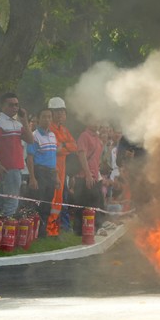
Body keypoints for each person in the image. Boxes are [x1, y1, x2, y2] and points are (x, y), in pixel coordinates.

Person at [46, 97, 90, 237]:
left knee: (60, 201)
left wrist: (64, 146)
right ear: (51, 112)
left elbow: (74, 146)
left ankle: (56, 229)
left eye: (62, 111)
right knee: (53, 200)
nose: (60, 114)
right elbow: (56, 150)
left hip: (62, 170)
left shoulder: (64, 130)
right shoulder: (49, 128)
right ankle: (50, 230)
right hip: (52, 169)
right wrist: (65, 146)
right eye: (57, 111)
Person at [0, 93, 34, 216]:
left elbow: (30, 140)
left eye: (16, 105)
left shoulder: (16, 123)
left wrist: (24, 119)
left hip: (15, 166)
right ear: (3, 106)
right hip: (8, 167)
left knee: (3, 201)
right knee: (11, 201)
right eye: (11, 105)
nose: (14, 108)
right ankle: (6, 228)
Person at [26, 109, 58, 237]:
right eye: (44, 117)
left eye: (50, 117)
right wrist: (32, 177)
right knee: (38, 202)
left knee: (48, 202)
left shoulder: (53, 135)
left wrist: (56, 177)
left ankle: (43, 232)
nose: (47, 119)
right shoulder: (34, 136)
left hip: (51, 173)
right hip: (40, 172)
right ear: (38, 119)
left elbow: (53, 158)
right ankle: (34, 231)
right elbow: (30, 157)